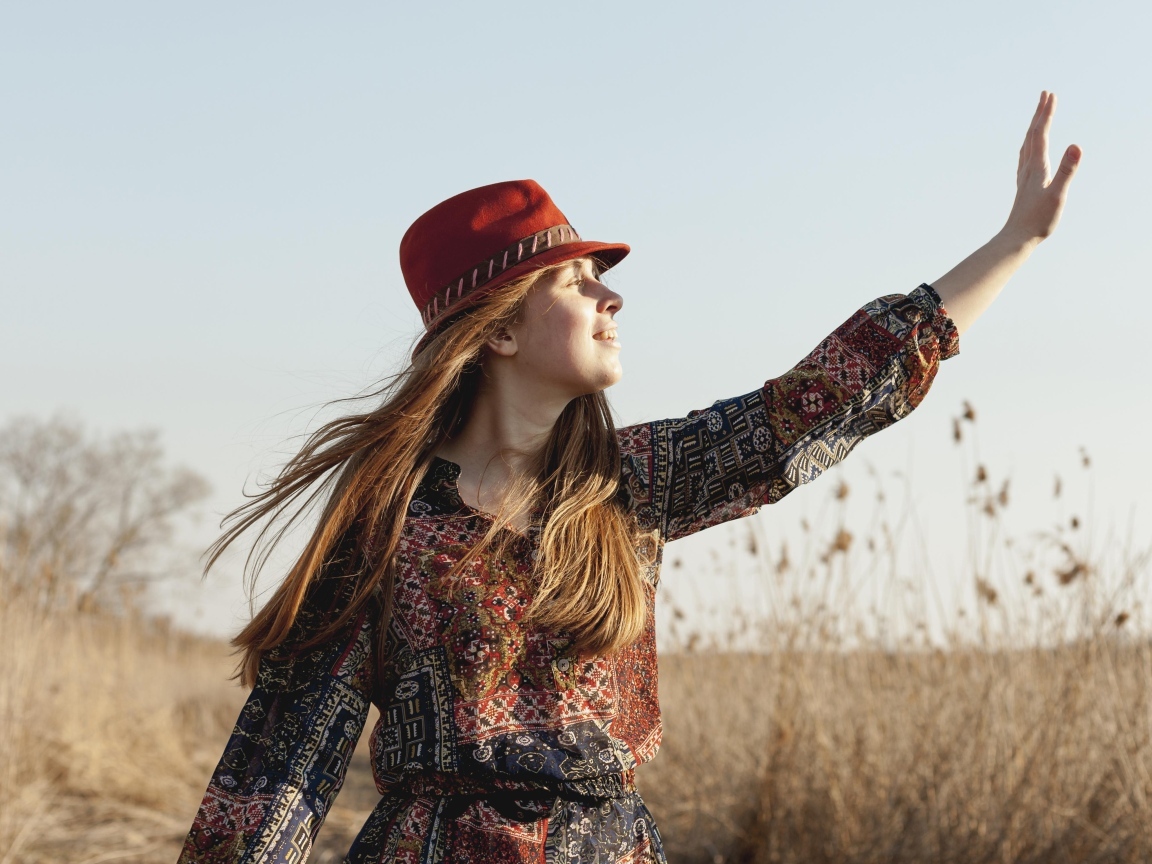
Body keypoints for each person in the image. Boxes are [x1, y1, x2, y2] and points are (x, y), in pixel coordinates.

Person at [179, 91, 1080, 863]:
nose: (612, 298)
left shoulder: (629, 482)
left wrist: (1016, 243)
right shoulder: (385, 522)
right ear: (495, 332)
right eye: (576, 284)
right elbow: (278, 772)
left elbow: (822, 401)